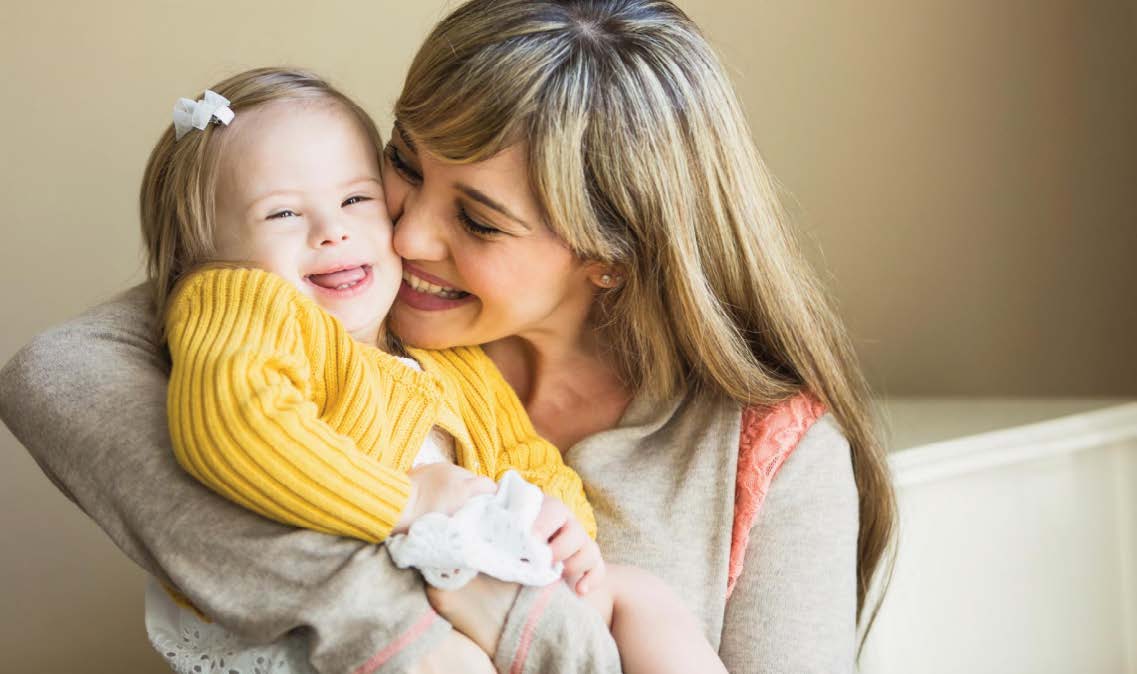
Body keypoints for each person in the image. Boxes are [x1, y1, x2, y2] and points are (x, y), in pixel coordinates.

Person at [0, 1, 896, 673]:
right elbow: (53, 373)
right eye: (402, 162)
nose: (405, 231)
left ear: (610, 257)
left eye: (477, 219)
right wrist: (407, 631)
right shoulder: (337, 298)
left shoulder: (766, 451)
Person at [142, 66, 727, 674]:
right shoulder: (246, 305)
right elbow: (236, 429)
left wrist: (558, 521)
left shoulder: (440, 354)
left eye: (356, 199)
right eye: (283, 215)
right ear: (204, 252)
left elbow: (518, 452)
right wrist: (406, 500)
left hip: (456, 564)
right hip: (338, 606)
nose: (333, 231)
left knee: (640, 595)